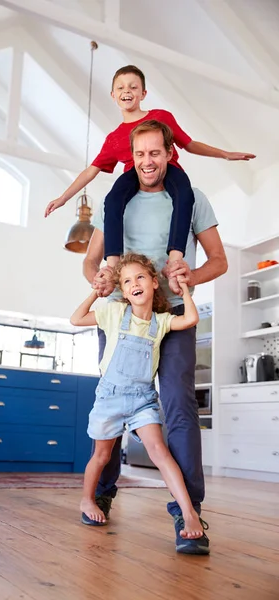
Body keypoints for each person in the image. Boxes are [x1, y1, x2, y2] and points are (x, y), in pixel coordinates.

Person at [82, 119, 228, 555]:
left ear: (169, 154)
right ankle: (103, 490)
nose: (147, 162)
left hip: (175, 317)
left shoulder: (192, 199)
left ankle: (189, 509)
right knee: (113, 399)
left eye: (155, 153)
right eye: (140, 154)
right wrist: (100, 281)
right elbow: (91, 263)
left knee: (180, 406)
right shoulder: (118, 203)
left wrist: (190, 274)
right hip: (125, 321)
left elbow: (218, 260)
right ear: (132, 157)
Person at [45, 65, 254, 294]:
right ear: (113, 95)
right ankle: (113, 264)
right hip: (132, 176)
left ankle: (174, 258)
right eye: (121, 87)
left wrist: (224, 154)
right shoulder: (114, 139)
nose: (127, 91)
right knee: (113, 199)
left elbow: (189, 144)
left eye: (134, 87)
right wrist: (63, 198)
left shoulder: (161, 118)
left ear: (143, 93)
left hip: (170, 171)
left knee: (185, 196)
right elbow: (91, 171)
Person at [71, 253, 207, 542]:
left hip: (142, 400)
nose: (134, 283)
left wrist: (184, 292)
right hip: (110, 398)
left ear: (155, 283)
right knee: (102, 455)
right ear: (122, 289)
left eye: (141, 277)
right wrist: (97, 291)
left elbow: (192, 318)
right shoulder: (115, 313)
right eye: (127, 280)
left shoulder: (162, 321)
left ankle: (189, 511)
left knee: (160, 452)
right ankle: (87, 499)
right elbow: (76, 318)